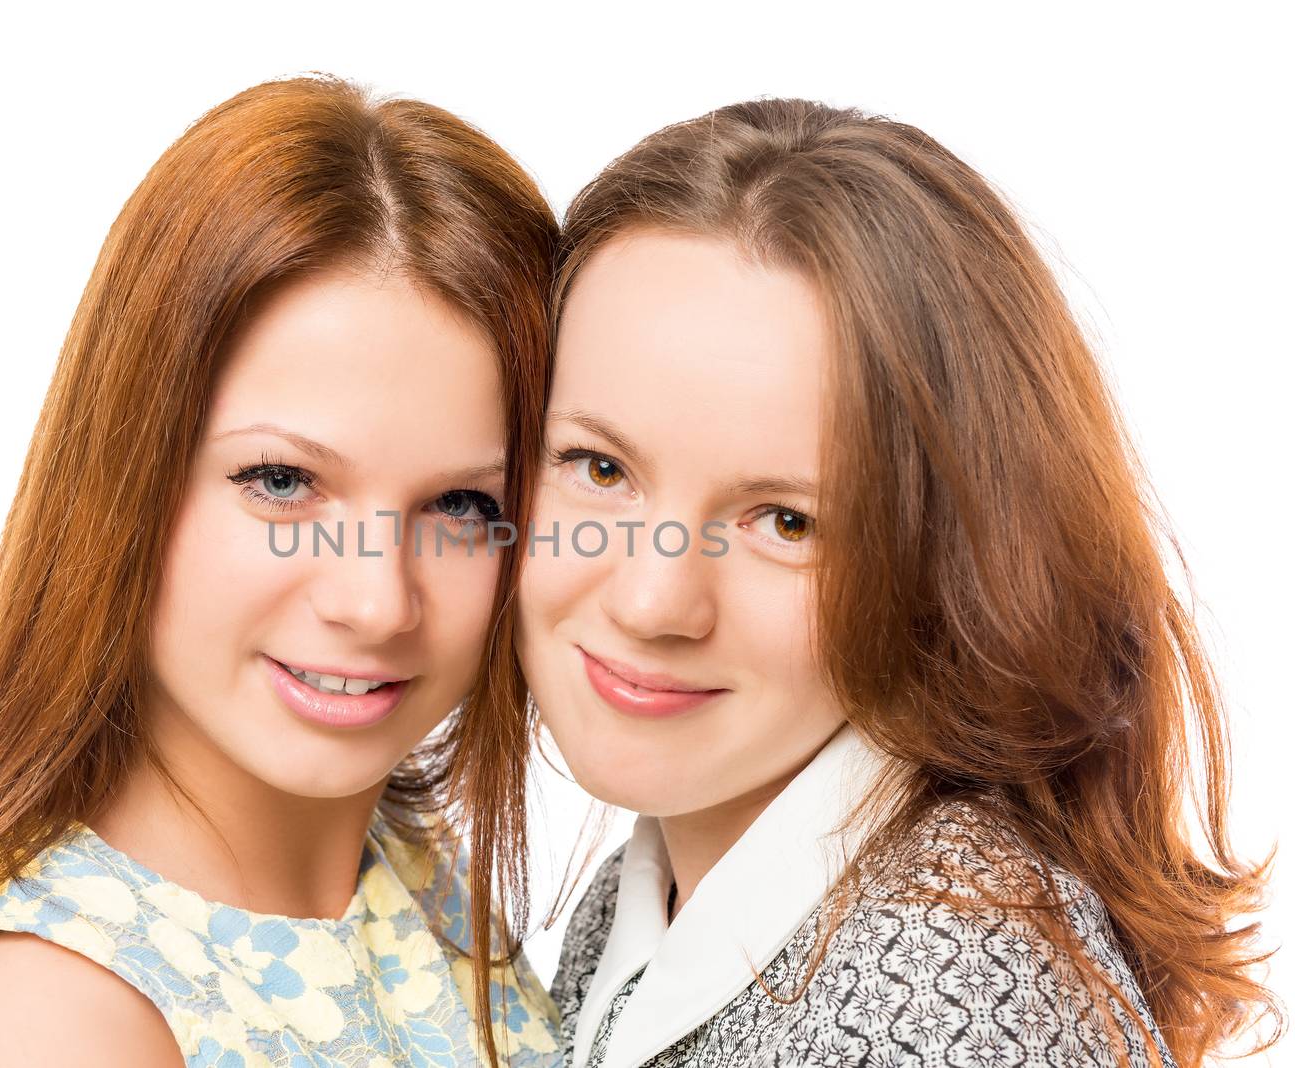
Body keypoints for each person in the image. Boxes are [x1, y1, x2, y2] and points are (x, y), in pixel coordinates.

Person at [0, 75, 562, 1068]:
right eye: (281, 481)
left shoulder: (406, 875)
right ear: (123, 477)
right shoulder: (40, 1021)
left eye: (461, 507)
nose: (374, 601)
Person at [522, 97, 1277, 1067]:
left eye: (786, 522)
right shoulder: (658, 886)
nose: (650, 600)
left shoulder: (948, 996)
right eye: (598, 468)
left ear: (947, 566)